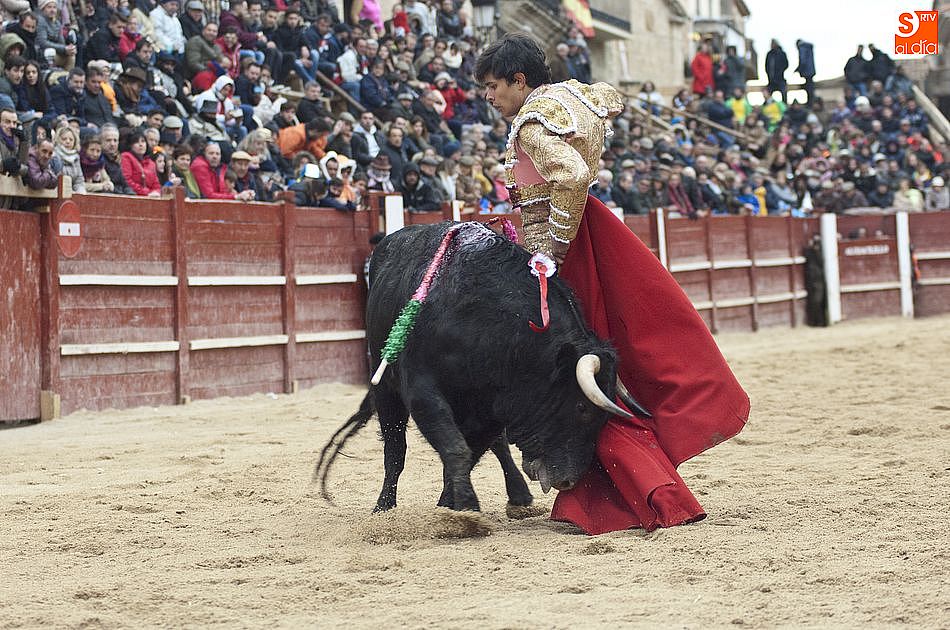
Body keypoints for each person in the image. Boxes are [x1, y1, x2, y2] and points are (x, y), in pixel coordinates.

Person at [474, 32, 749, 535]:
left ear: (519, 80)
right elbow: (610, 101)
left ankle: (647, 492)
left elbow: (573, 176)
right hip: (587, 236)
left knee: (571, 372)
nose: (488, 97)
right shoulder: (576, 97)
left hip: (560, 253)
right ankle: (596, 493)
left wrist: (552, 246)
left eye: (493, 86)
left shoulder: (532, 123)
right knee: (593, 367)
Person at [795, 39, 815, 105]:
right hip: (811, 70)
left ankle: (810, 103)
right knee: (810, 86)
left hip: (806, 71)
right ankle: (811, 102)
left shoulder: (802, 48)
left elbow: (802, 60)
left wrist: (799, 69)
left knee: (808, 88)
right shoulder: (808, 47)